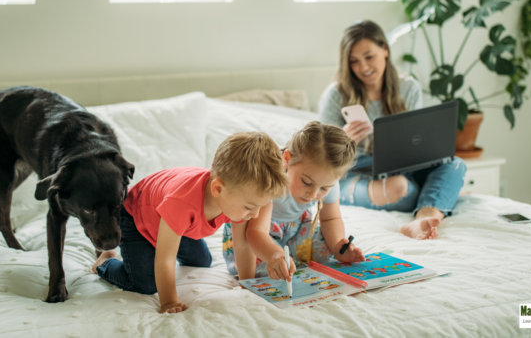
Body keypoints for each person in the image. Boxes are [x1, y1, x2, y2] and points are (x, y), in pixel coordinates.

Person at [92, 132, 288, 313]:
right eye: (250, 207)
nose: (255, 215)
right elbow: (165, 258)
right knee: (146, 284)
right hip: (136, 217)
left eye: (260, 207)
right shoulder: (182, 203)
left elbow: (242, 244)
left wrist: (248, 283)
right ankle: (104, 262)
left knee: (203, 262)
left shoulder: (236, 199)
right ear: (217, 189)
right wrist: (169, 301)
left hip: (176, 223)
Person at [318, 20, 467, 240]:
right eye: (354, 61)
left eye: (369, 57)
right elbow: (320, 157)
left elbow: (417, 143)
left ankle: (423, 217)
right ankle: (436, 197)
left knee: (455, 164)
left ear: (385, 49)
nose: (364, 67)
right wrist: (344, 140)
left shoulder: (408, 87)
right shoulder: (336, 95)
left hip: (401, 166)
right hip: (354, 171)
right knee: (399, 188)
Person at [223, 121, 365, 281]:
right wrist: (274, 255)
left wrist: (338, 246)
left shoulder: (329, 181)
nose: (313, 194)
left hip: (297, 229)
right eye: (306, 182)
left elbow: (330, 218)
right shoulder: (270, 179)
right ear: (287, 159)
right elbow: (255, 232)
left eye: (324, 188)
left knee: (325, 251)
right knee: (272, 271)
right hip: (259, 235)